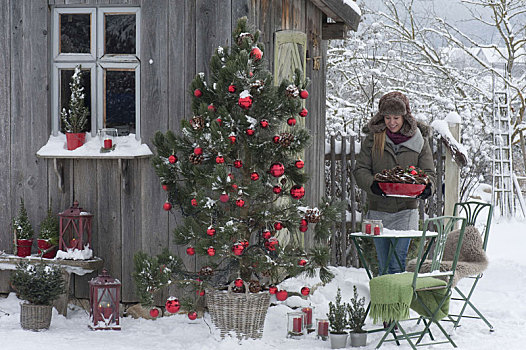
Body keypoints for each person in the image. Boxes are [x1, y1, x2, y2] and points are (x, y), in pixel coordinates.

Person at [354, 91, 436, 275]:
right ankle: (383, 303)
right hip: (378, 210)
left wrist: (427, 187)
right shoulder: (374, 139)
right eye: (388, 117)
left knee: (398, 262)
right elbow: (360, 170)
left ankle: (398, 304)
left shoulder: (419, 140)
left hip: (406, 211)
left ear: (405, 117)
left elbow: (429, 173)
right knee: (383, 265)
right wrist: (372, 185)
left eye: (396, 117)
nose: (392, 122)